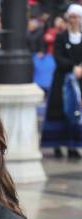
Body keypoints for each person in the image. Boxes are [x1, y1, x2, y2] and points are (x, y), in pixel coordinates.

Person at [41, 4, 82, 159]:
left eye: (76, 17)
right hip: (61, 81)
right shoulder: (60, 37)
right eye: (71, 17)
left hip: (78, 82)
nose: (74, 20)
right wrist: (73, 67)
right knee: (59, 112)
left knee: (75, 112)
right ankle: (57, 145)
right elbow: (58, 58)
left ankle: (73, 146)